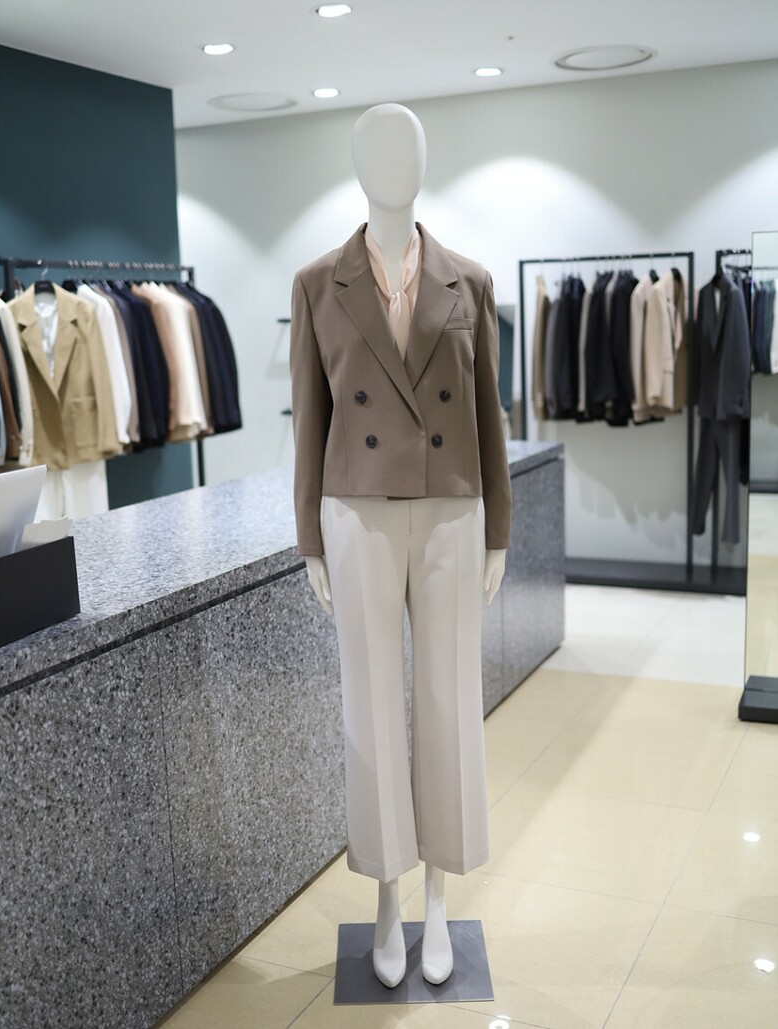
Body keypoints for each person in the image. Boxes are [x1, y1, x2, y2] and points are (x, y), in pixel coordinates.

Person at [289, 103, 511, 988]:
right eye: (376, 150)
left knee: (450, 700)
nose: (393, 163)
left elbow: (489, 414)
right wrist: (310, 538)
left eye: (406, 147)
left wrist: (499, 527)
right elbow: (310, 422)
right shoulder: (318, 283)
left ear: (424, 161)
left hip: (453, 507)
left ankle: (438, 897)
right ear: (356, 165)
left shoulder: (470, 281)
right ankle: (387, 891)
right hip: (357, 509)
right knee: (372, 706)